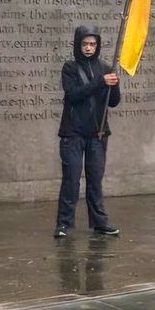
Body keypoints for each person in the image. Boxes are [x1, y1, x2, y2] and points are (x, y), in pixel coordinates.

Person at [54, 25, 121, 239]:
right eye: (85, 44)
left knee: (95, 179)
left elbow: (114, 102)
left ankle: (99, 222)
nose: (89, 48)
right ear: (78, 44)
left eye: (92, 44)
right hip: (72, 133)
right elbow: (73, 94)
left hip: (97, 133)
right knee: (71, 178)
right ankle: (64, 223)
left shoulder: (105, 67)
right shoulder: (70, 68)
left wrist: (114, 83)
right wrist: (100, 83)